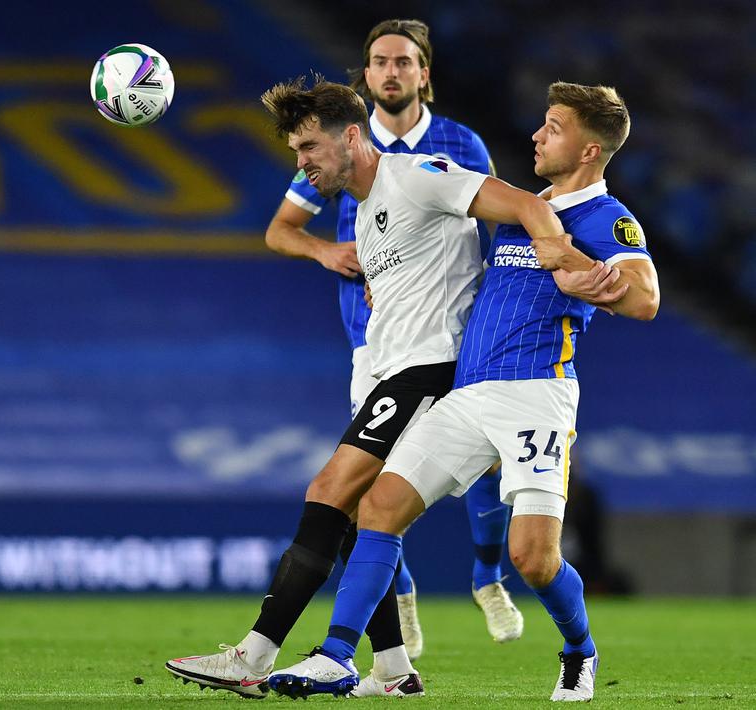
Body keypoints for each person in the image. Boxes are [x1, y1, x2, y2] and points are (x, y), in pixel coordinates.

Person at [166, 76, 579, 699]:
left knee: (329, 491)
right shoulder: (367, 211)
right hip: (397, 372)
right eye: (296, 151)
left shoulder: (418, 175)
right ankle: (392, 669)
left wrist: (554, 253)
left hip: (431, 370)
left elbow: (524, 204)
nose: (302, 164)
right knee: (361, 516)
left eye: (309, 147)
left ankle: (252, 657)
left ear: (351, 137)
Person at [266, 82, 657, 702]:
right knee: (378, 506)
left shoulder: (606, 219)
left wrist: (582, 273)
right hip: (468, 391)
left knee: (532, 559)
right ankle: (338, 656)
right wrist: (388, 283)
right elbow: (454, 267)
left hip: (536, 394)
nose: (537, 135)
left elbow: (646, 299)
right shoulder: (524, 212)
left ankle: (579, 649)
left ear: (589, 150)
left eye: (554, 128)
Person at [264, 18, 521, 664]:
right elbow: (281, 228)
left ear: (422, 73)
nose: (390, 71)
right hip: (372, 340)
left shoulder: (456, 144)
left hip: (442, 334)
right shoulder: (332, 142)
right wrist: (326, 252)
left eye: (403, 62)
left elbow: (492, 222)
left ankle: (487, 577)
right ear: (366, 72)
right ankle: (396, 610)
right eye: (379, 61)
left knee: (477, 467)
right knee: (364, 488)